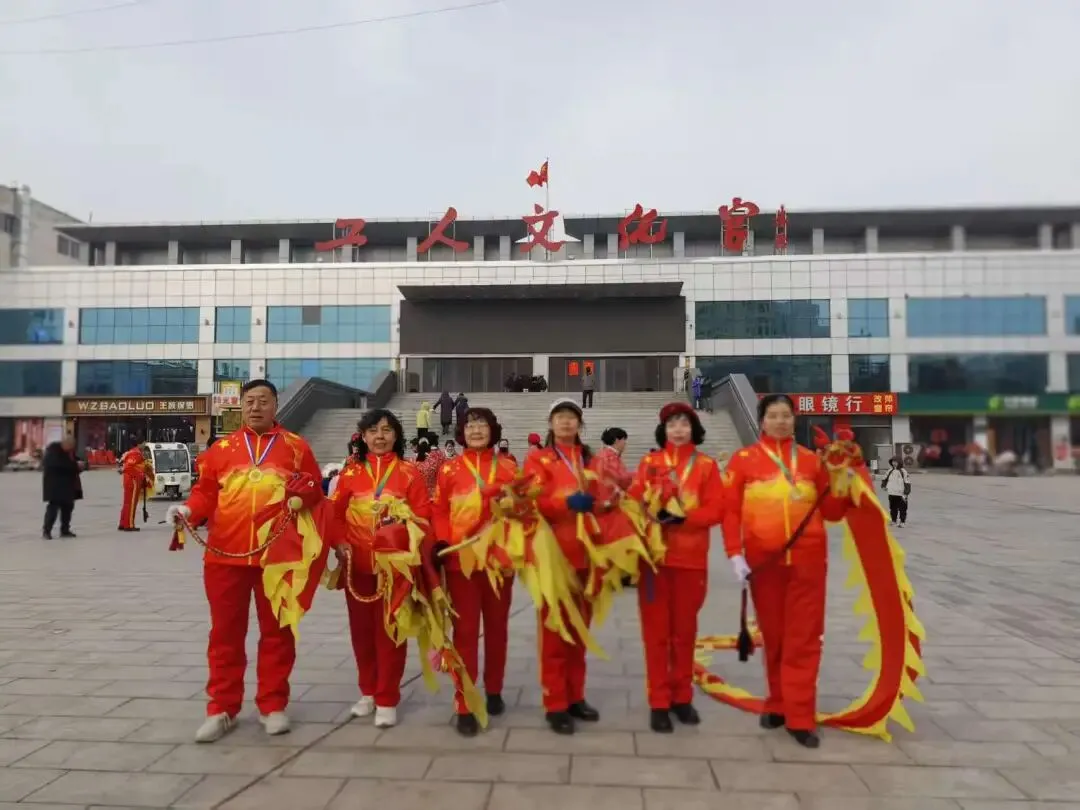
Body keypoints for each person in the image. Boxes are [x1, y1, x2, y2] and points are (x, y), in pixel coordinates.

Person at [165, 379, 326, 743]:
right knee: (225, 634)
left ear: (275, 406)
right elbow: (205, 493)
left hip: (278, 557)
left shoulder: (296, 447)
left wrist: (306, 493)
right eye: (250, 401)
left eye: (263, 401)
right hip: (225, 557)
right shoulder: (221, 449)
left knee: (278, 633)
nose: (256, 407)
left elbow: (315, 489)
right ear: (240, 406)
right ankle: (222, 708)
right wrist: (187, 510)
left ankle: (273, 705)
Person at [720, 394, 850, 749]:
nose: (780, 421)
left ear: (795, 420)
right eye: (773, 415)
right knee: (775, 637)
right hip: (764, 565)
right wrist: (734, 554)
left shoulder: (811, 461)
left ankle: (800, 716)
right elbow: (730, 510)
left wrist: (842, 475)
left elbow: (833, 512)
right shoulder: (743, 461)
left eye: (786, 416)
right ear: (762, 421)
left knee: (803, 640)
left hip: (808, 564)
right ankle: (778, 702)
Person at [330, 408, 432, 729]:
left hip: (394, 570)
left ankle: (387, 697)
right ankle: (368, 692)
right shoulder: (349, 474)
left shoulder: (409, 473)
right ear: (363, 437)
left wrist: (404, 531)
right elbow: (334, 516)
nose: (380, 436)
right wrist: (339, 543)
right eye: (373, 430)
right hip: (357, 567)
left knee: (391, 633)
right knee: (361, 633)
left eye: (386, 430)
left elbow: (423, 517)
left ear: (396, 436)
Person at [629, 403, 725, 733]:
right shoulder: (650, 463)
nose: (678, 430)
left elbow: (717, 509)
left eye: (684, 423)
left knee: (684, 634)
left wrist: (685, 519)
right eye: (672, 424)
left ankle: (682, 697)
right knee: (656, 634)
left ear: (693, 428)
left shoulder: (706, 466)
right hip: (654, 562)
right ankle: (658, 701)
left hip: (691, 561)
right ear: (664, 430)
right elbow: (634, 501)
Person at [432, 407, 518, 736]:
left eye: (482, 425)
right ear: (461, 433)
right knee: (465, 633)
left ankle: (494, 689)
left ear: (493, 430)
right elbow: (439, 509)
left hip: (500, 562)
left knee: (497, 630)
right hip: (461, 562)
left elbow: (523, 508)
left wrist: (514, 506)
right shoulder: (449, 468)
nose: (476, 430)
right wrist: (441, 540)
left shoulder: (509, 467)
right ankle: (465, 701)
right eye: (470, 426)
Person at [524, 398, 602, 735]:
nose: (566, 422)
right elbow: (533, 500)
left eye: (571, 417)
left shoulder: (591, 459)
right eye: (560, 417)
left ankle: (575, 696)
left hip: (588, 555)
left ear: (579, 424)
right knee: (555, 633)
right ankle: (555, 702)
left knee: (580, 630)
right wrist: (565, 502)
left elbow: (606, 499)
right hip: (553, 556)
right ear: (551, 423)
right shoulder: (538, 459)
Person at [42, 435, 82, 539]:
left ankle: (65, 530)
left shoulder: (69, 452)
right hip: (55, 486)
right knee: (53, 509)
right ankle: (47, 531)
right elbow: (56, 465)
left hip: (68, 486)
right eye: (70, 446)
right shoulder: (53, 450)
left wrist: (80, 465)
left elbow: (73, 462)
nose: (71, 449)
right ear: (64, 443)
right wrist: (75, 466)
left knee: (67, 508)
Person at [118, 441, 149, 531]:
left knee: (127, 503)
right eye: (143, 443)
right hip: (133, 481)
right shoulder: (136, 454)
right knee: (131, 503)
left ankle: (123, 523)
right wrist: (142, 475)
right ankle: (129, 525)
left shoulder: (130, 452)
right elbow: (129, 466)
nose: (144, 445)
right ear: (139, 444)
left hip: (128, 481)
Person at [882, 457, 911, 527]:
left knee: (902, 508)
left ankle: (902, 522)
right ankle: (893, 520)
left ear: (899, 462)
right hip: (892, 493)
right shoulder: (890, 471)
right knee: (892, 508)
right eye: (893, 462)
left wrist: (906, 492)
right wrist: (883, 486)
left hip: (901, 494)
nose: (894, 463)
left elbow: (907, 482)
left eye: (896, 462)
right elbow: (884, 479)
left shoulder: (903, 471)